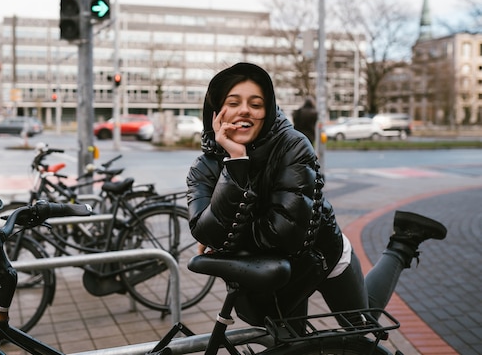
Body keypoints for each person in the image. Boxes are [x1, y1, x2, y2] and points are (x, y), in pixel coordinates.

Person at [186, 62, 447, 326]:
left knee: (359, 328)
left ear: (267, 111)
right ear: (217, 111)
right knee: (290, 346)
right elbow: (205, 230)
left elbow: (282, 235)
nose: (244, 110)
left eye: (256, 104)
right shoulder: (204, 166)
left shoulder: (294, 146)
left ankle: (402, 243)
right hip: (276, 274)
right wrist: (236, 163)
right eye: (233, 102)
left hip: (321, 256)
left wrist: (227, 240)